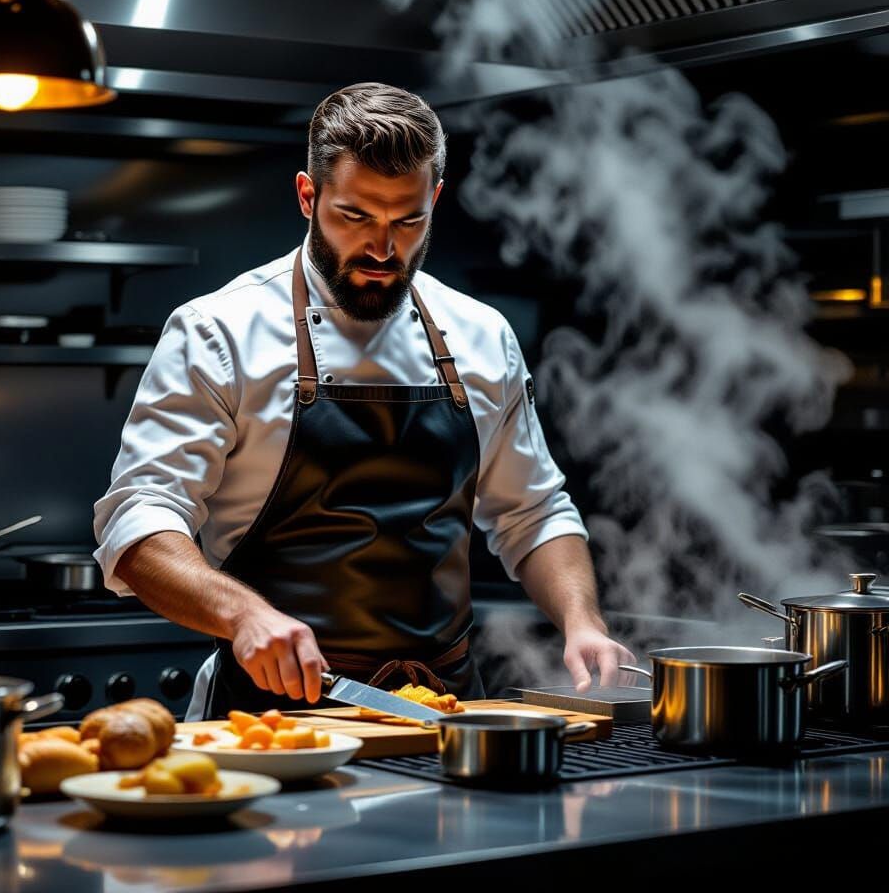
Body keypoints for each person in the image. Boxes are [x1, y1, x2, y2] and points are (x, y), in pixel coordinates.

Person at [92, 81, 635, 720]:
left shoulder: (481, 335)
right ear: (307, 196)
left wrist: (581, 621)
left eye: (408, 221)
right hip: (276, 717)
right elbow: (138, 523)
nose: (382, 249)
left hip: (447, 711)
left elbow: (534, 512)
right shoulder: (218, 332)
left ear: (434, 198)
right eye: (355, 217)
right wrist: (243, 615)